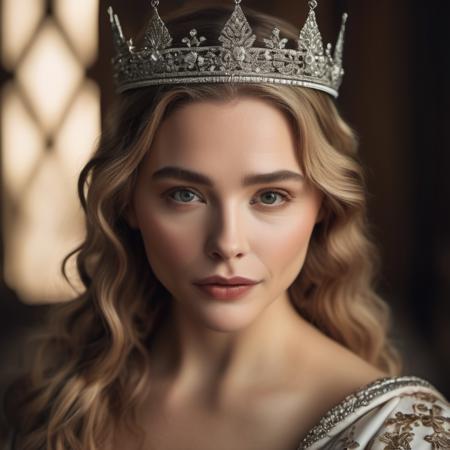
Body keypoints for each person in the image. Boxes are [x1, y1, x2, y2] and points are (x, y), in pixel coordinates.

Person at [4, 1, 449, 449]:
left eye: (270, 197)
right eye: (185, 194)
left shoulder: (403, 434)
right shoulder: (58, 402)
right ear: (128, 203)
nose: (227, 244)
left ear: (324, 207)